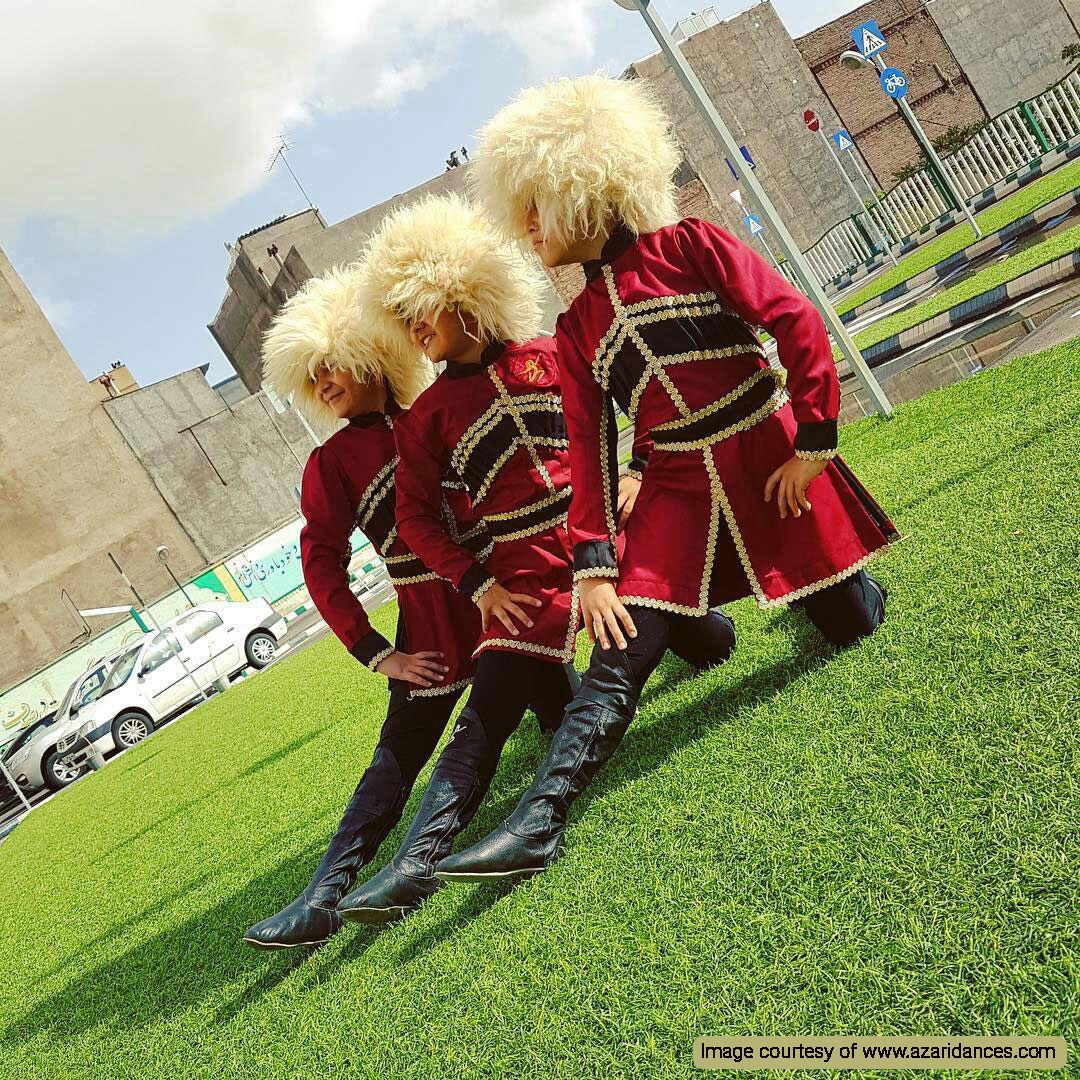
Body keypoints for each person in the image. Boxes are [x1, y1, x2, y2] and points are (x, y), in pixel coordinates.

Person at [435, 75, 897, 884]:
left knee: (851, 626)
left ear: (587, 186)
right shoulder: (576, 326)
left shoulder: (693, 245)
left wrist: (815, 439)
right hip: (675, 492)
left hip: (767, 458)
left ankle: (850, 594)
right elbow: (589, 449)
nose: (528, 227)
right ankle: (539, 821)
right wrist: (594, 566)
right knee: (616, 652)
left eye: (539, 204)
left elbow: (793, 318)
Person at [243, 265, 529, 948]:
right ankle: (321, 898)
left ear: (373, 354)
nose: (323, 385)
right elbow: (321, 566)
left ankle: (702, 636)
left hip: (504, 600)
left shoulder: (437, 411)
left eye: (331, 366)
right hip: (428, 630)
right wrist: (379, 653)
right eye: (311, 378)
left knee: (557, 705)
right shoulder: (332, 464)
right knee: (394, 759)